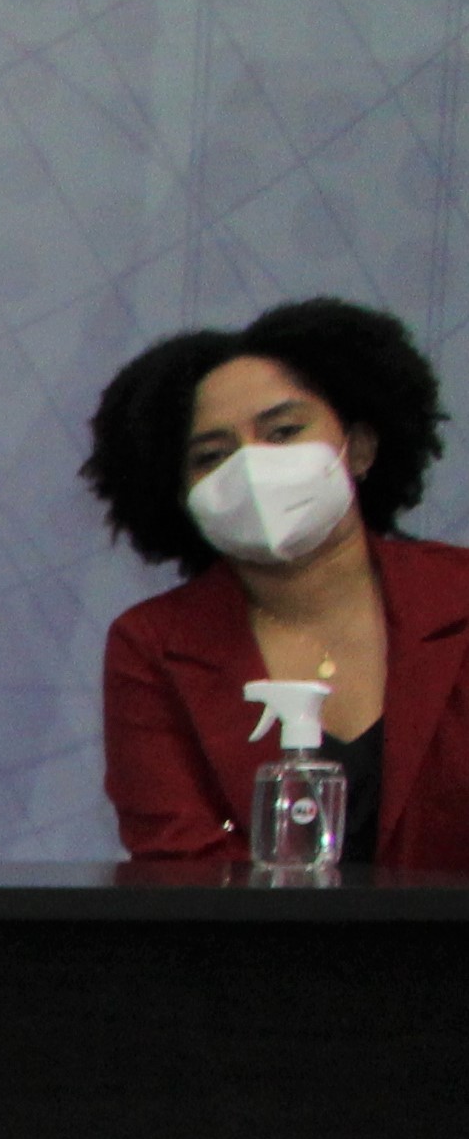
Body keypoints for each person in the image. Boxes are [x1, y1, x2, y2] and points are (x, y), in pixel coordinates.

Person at [84, 296, 465, 873]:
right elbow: (180, 862)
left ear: (359, 447)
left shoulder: (457, 594)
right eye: (212, 455)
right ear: (181, 495)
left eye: (283, 432)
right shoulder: (153, 645)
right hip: (249, 936)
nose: (252, 469)